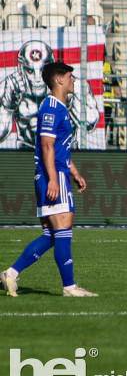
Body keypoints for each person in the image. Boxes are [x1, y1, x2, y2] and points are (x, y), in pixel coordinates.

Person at [0, 62, 96, 298]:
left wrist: (74, 173)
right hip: (51, 176)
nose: (73, 80)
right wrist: (55, 179)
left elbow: (59, 148)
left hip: (53, 174)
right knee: (63, 230)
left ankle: (11, 273)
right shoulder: (52, 106)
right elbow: (46, 145)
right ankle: (70, 288)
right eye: (70, 76)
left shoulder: (58, 106)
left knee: (51, 235)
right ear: (59, 80)